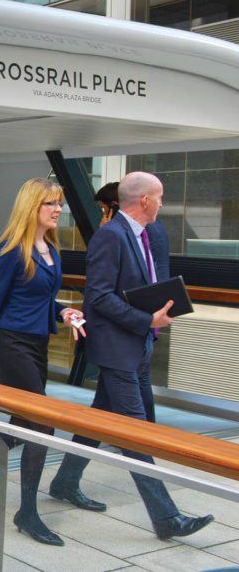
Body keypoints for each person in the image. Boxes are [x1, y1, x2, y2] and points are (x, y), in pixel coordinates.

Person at [48, 171, 213, 540]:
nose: (162, 204)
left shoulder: (142, 234)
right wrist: (145, 319)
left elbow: (147, 284)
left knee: (99, 420)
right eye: (160, 197)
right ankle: (167, 519)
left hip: (136, 343)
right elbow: (99, 297)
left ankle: (64, 482)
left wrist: (154, 321)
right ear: (144, 201)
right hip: (116, 347)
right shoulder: (110, 235)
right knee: (136, 431)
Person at [0, 178, 86, 546]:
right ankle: (27, 513)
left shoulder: (49, 249)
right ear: (32, 206)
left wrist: (65, 312)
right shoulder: (11, 250)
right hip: (10, 343)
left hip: (36, 343)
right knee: (41, 423)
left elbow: (41, 298)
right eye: (51, 204)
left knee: (23, 420)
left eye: (59, 203)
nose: (58, 210)